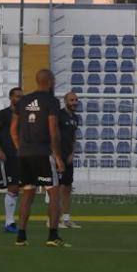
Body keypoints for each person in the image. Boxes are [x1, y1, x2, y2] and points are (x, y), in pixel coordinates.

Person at [10, 68, 69, 247]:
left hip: (24, 155)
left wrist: (21, 148)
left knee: (27, 195)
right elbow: (53, 129)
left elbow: (13, 130)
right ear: (50, 81)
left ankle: (21, 236)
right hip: (43, 153)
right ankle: (52, 236)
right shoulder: (51, 101)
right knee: (54, 194)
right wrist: (58, 156)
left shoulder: (24, 101)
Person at [0, 87, 23, 233]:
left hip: (20, 157)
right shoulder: (4, 114)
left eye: (22, 96)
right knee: (12, 187)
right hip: (7, 155)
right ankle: (9, 223)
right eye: (17, 96)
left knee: (17, 188)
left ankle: (11, 223)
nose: (19, 99)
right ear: (11, 97)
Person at [57, 91, 81, 229]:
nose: (75, 102)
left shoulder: (76, 118)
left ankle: (66, 219)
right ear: (65, 101)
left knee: (67, 188)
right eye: (72, 100)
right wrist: (56, 156)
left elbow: (73, 137)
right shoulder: (59, 115)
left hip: (68, 157)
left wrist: (72, 153)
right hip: (58, 157)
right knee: (58, 189)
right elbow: (52, 136)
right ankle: (55, 220)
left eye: (76, 100)